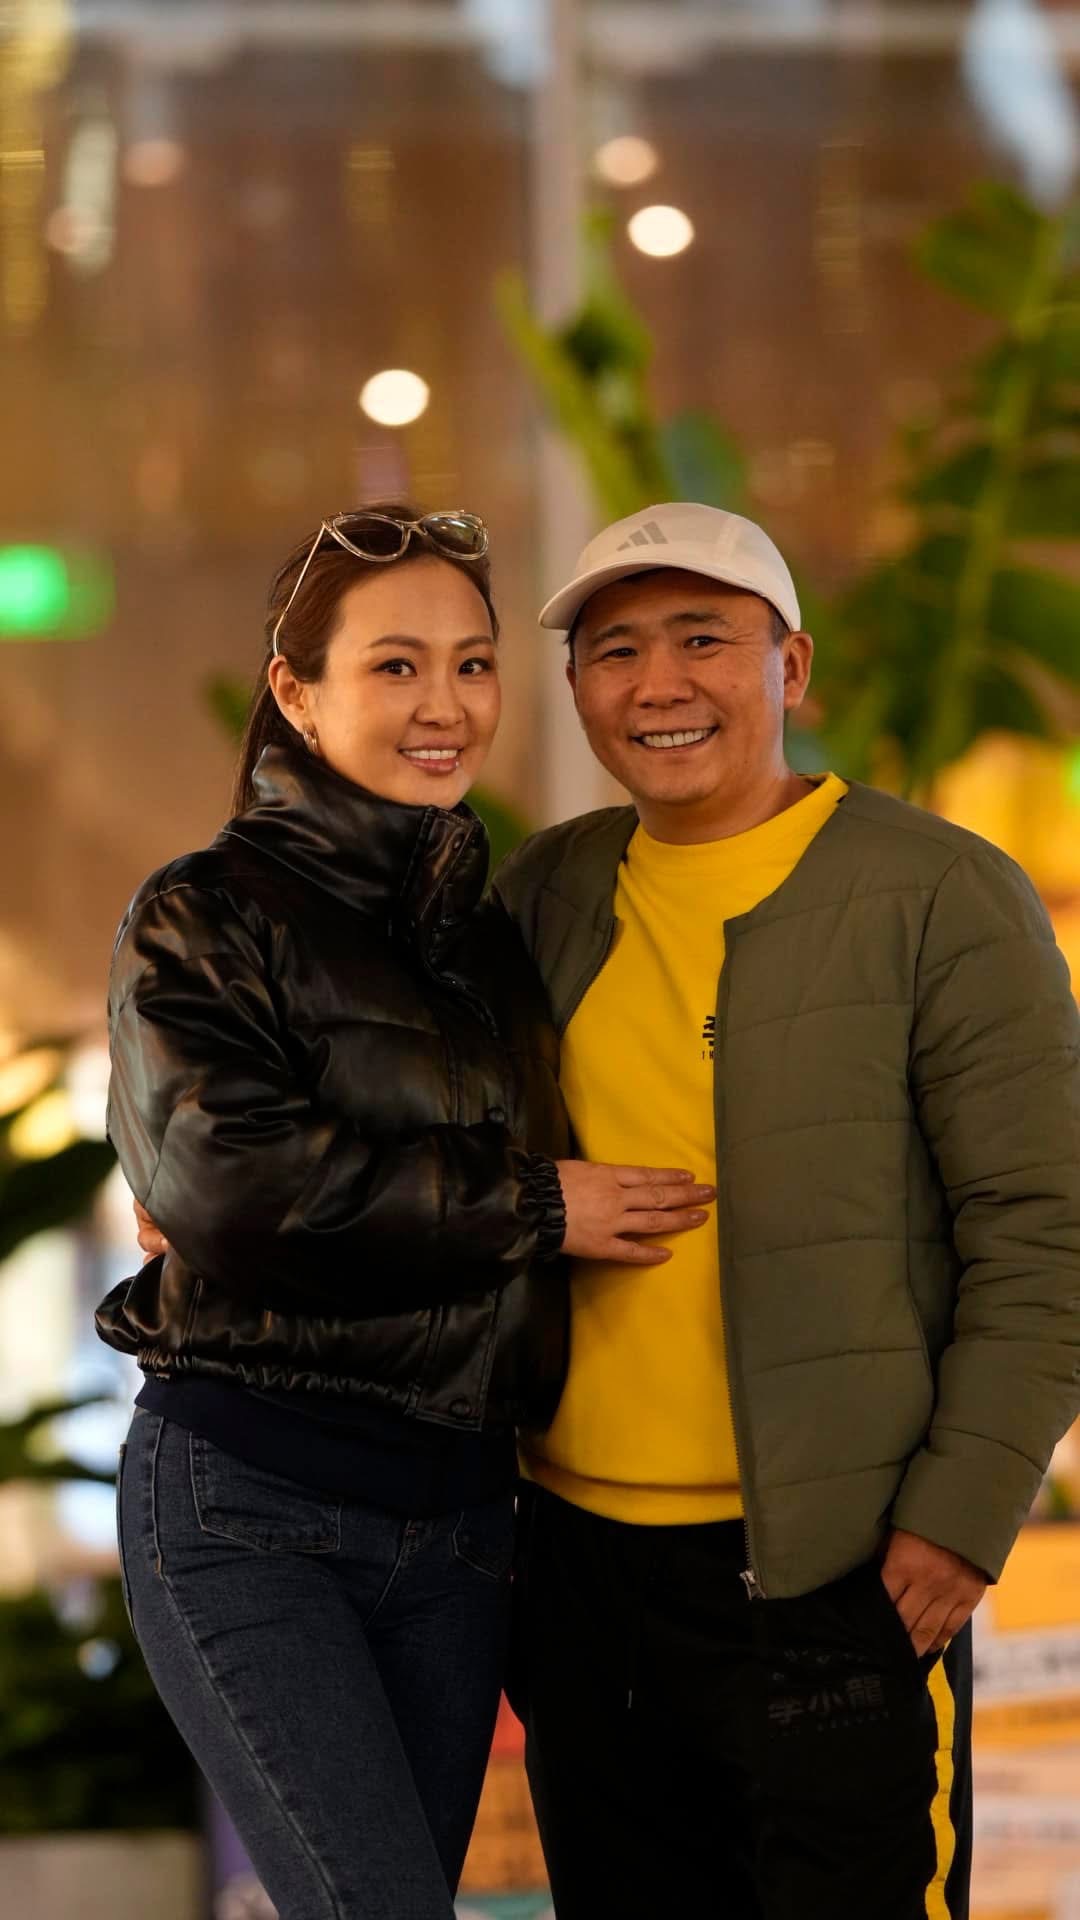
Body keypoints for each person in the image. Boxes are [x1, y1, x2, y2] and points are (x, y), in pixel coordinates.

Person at [97, 503, 715, 1920]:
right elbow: (231, 1187)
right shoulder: (205, 912)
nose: (446, 705)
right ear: (296, 690)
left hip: (461, 1524)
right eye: (395, 666)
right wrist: (536, 1205)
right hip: (252, 1498)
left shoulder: (488, 939)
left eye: (473, 664)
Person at [491, 501, 1080, 1920]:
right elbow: (409, 1113)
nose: (659, 684)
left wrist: (961, 1515)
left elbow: (1045, 1229)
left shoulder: (938, 893)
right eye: (616, 651)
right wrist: (214, 1187)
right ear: (577, 690)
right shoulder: (544, 892)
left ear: (790, 667)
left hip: (835, 1564)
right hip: (577, 1570)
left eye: (704, 639)